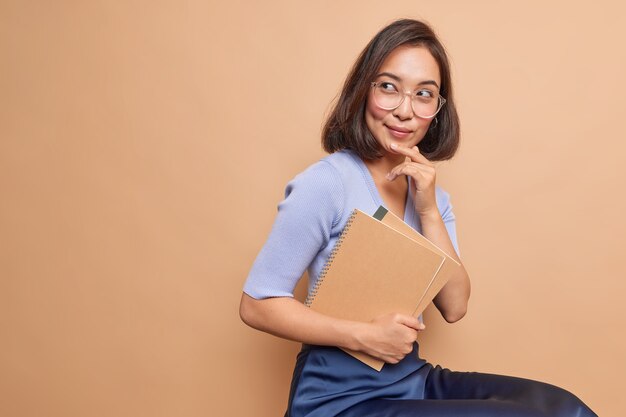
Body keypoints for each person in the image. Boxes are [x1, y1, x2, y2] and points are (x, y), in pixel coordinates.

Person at [239, 18, 597, 417]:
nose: (404, 111)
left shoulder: (432, 197)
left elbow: (455, 305)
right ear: (364, 91)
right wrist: (363, 336)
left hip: (412, 380)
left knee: (566, 409)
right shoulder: (327, 183)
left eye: (424, 94)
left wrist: (427, 208)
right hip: (335, 397)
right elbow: (257, 304)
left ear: (438, 109)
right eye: (389, 87)